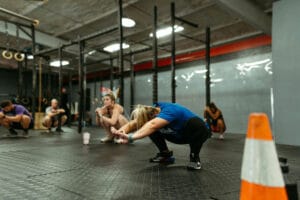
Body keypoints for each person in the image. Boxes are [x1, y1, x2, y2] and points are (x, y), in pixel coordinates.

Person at [111, 102, 210, 170]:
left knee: (195, 123)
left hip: (198, 133)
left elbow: (152, 125)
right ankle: (165, 155)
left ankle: (194, 158)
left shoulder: (169, 110)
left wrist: (131, 138)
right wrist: (120, 132)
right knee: (149, 128)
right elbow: (133, 124)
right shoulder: (151, 111)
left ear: (153, 115)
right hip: (177, 134)